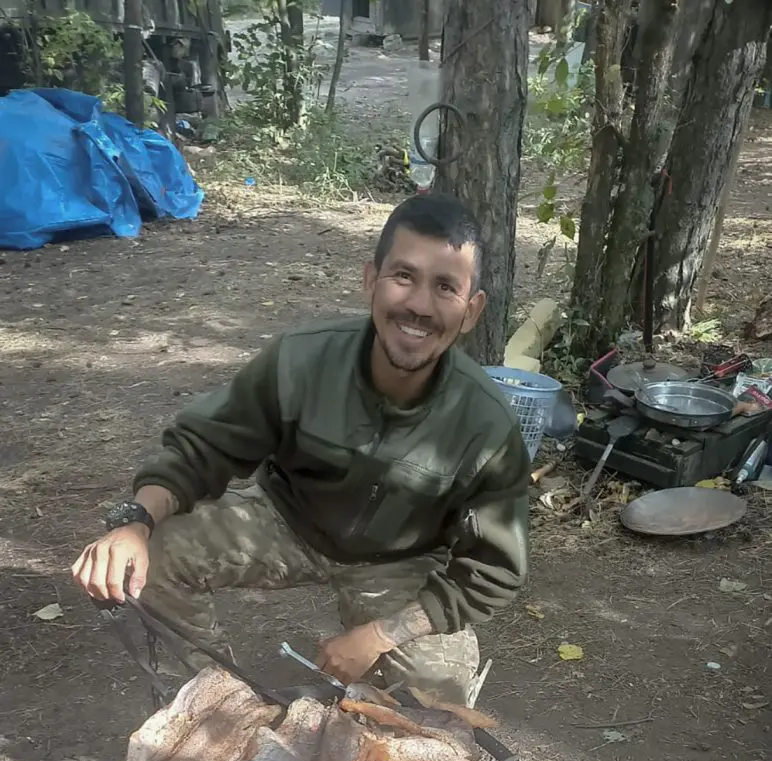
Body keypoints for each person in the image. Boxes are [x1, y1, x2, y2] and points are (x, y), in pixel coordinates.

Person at [72, 193, 529, 706]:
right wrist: (134, 522)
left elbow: (493, 570)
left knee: (436, 691)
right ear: (370, 280)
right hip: (288, 521)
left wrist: (380, 636)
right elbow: (202, 447)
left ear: (471, 311)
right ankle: (211, 715)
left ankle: (386, 760)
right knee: (150, 558)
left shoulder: (486, 424)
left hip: (401, 559)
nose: (420, 305)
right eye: (404, 276)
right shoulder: (303, 359)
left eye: (445, 287)